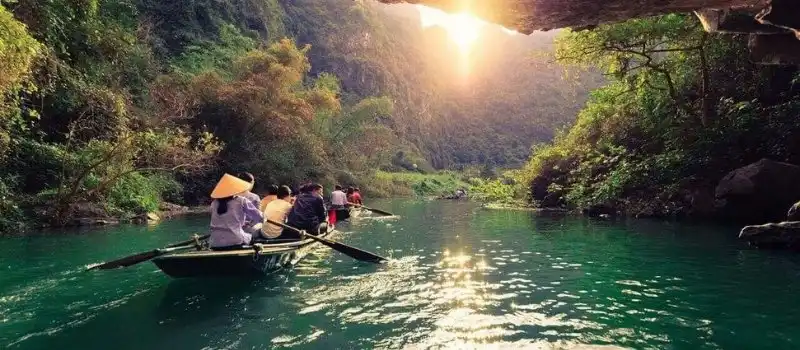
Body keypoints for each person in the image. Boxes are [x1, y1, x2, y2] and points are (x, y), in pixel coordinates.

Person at [208, 173, 264, 250]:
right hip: (236, 240)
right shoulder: (242, 201)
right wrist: (265, 217)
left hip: (214, 242)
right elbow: (260, 217)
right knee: (252, 237)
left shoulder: (214, 203)